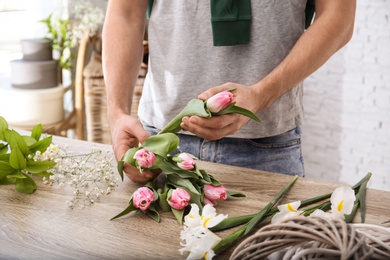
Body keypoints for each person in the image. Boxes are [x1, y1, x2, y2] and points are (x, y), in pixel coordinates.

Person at [102, 1, 356, 183]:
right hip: (158, 142)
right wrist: (117, 114)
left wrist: (261, 94)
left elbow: (338, 17)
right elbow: (125, 12)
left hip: (266, 147)